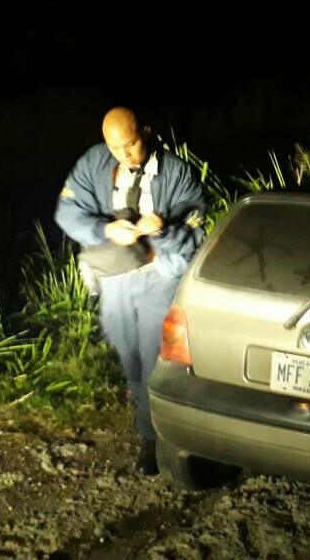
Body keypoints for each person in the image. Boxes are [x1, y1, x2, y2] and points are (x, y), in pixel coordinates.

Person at [55, 107, 205, 474]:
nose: (124, 155)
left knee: (154, 353)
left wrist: (163, 230)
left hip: (158, 273)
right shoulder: (94, 163)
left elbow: (196, 234)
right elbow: (67, 212)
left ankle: (152, 439)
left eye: (131, 145)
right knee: (129, 353)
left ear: (147, 132)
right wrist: (106, 231)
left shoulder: (178, 173)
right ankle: (145, 405)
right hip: (115, 274)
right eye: (115, 147)